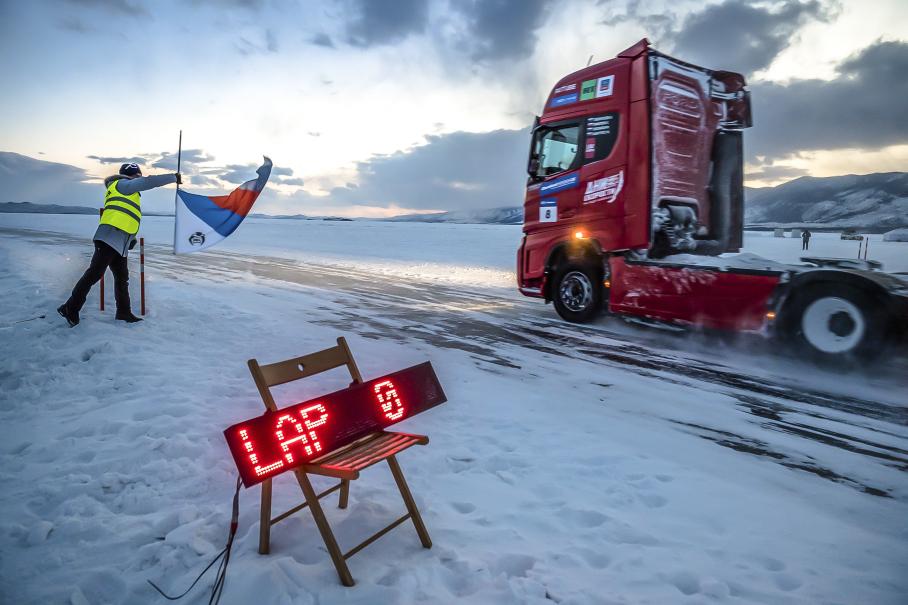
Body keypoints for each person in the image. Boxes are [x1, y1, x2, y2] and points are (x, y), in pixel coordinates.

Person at [57, 163, 181, 327]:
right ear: (130, 175)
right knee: (94, 274)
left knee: (122, 279)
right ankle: (70, 307)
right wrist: (172, 177)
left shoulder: (128, 191)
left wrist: (131, 238)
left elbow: (125, 216)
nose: (139, 179)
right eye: (137, 176)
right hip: (109, 237)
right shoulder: (122, 185)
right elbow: (148, 182)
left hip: (120, 241)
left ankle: (123, 312)